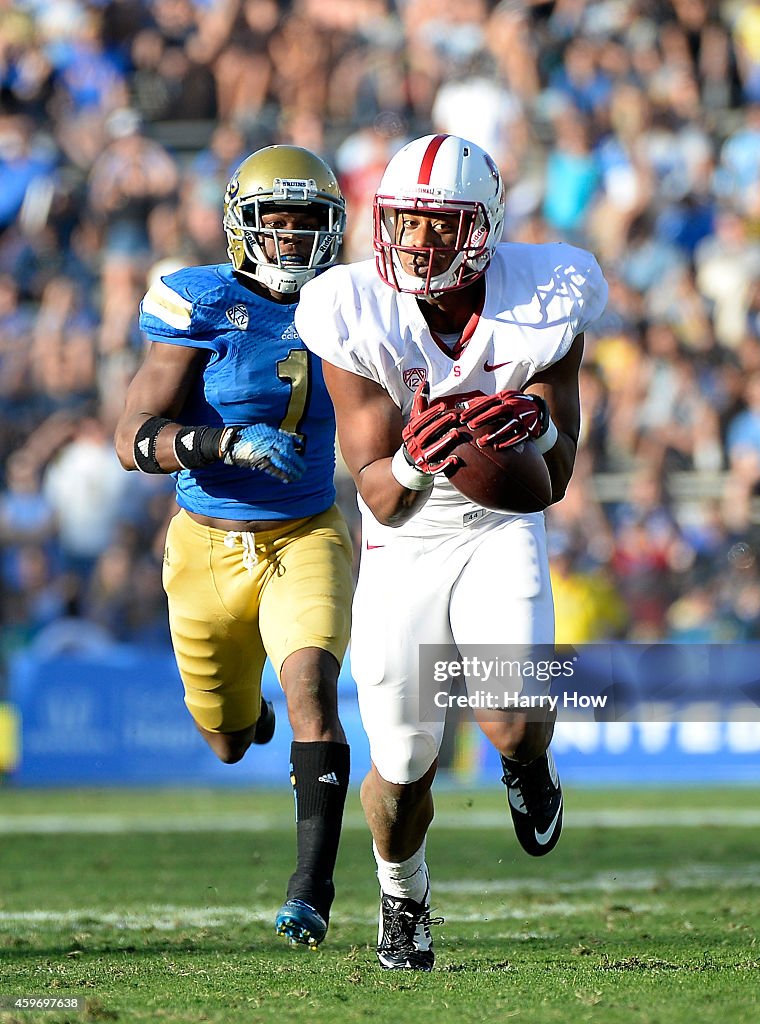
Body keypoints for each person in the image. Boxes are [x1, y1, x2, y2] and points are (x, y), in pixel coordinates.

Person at [294, 134, 608, 970]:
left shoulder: (547, 292)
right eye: (405, 223)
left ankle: (528, 767)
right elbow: (381, 495)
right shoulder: (348, 306)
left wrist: (532, 425)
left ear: (484, 229)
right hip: (406, 537)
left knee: (508, 721)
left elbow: (557, 472)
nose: (418, 242)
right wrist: (411, 454)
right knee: (401, 763)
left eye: (441, 226)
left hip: (499, 526)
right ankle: (404, 900)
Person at [114, 145, 354, 950]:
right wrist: (223, 446)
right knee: (225, 739)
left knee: (313, 690)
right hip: (206, 543)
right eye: (275, 221)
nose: (289, 238)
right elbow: (131, 438)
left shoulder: (354, 302)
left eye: (306, 222)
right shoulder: (199, 301)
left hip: (305, 530)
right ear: (242, 225)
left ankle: (310, 891)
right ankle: (242, 714)